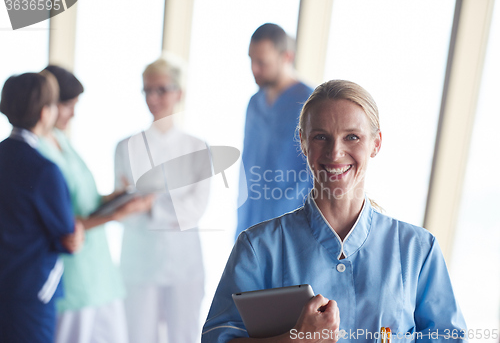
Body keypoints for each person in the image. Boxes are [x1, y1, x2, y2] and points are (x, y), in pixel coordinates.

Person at [202, 80, 467, 342]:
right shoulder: (258, 248)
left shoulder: (417, 251)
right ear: (303, 143)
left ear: (376, 144)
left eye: (352, 137)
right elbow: (218, 338)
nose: (335, 152)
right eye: (321, 137)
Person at [37, 65, 153, 343]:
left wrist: (110, 199)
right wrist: (118, 214)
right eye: (68, 106)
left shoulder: (62, 141)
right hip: (74, 276)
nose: (73, 114)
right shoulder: (38, 152)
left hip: (100, 275)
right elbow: (60, 221)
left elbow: (81, 199)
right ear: (48, 104)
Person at [114, 56, 210, 343]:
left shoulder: (197, 147)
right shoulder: (125, 147)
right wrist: (157, 206)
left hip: (184, 262)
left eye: (161, 89)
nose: (153, 98)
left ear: (178, 93)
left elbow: (195, 209)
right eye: (147, 90)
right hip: (139, 259)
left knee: (184, 335)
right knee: (139, 335)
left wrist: (150, 204)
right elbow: (123, 208)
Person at [0, 72, 84, 342]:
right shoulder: (43, 169)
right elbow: (66, 236)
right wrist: (77, 232)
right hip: (30, 291)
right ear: (45, 112)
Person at [235, 23, 314, 239]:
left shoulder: (311, 104)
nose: (254, 69)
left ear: (287, 56)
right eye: (251, 60)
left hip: (291, 230)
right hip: (250, 224)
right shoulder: (254, 104)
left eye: (262, 62)